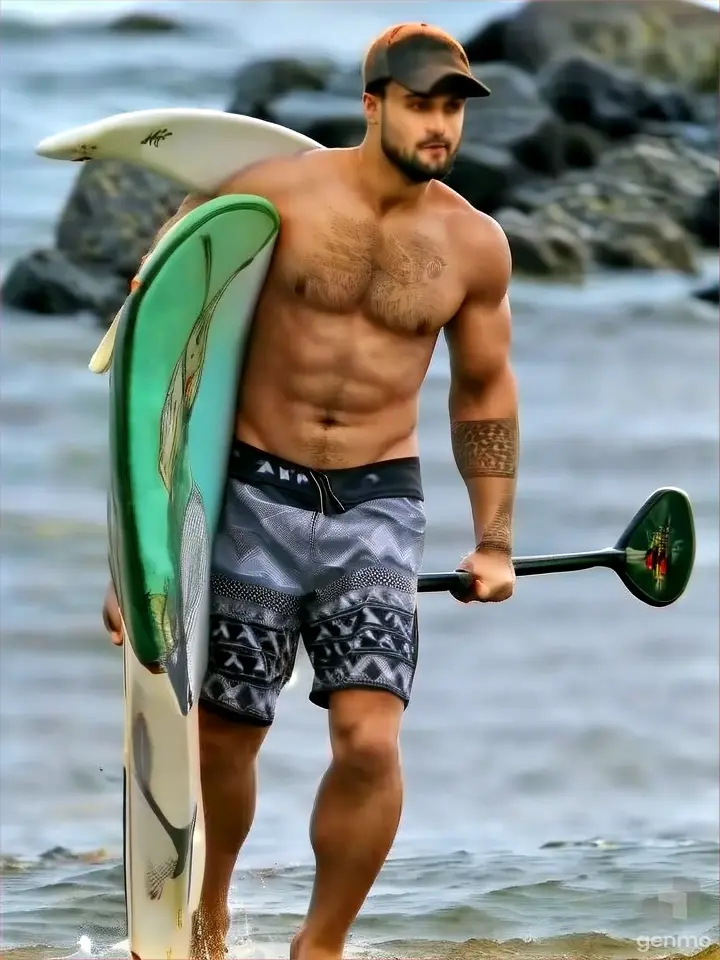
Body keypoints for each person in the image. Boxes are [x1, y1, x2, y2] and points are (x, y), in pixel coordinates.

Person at [102, 22, 519, 960]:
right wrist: (137, 555)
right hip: (253, 491)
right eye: (420, 103)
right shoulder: (268, 197)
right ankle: (205, 919)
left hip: (378, 503)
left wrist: (494, 538)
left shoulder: (474, 245)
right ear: (372, 104)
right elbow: (162, 362)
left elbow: (486, 394)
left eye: (452, 107)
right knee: (222, 739)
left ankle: (318, 946)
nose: (439, 124)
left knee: (370, 741)